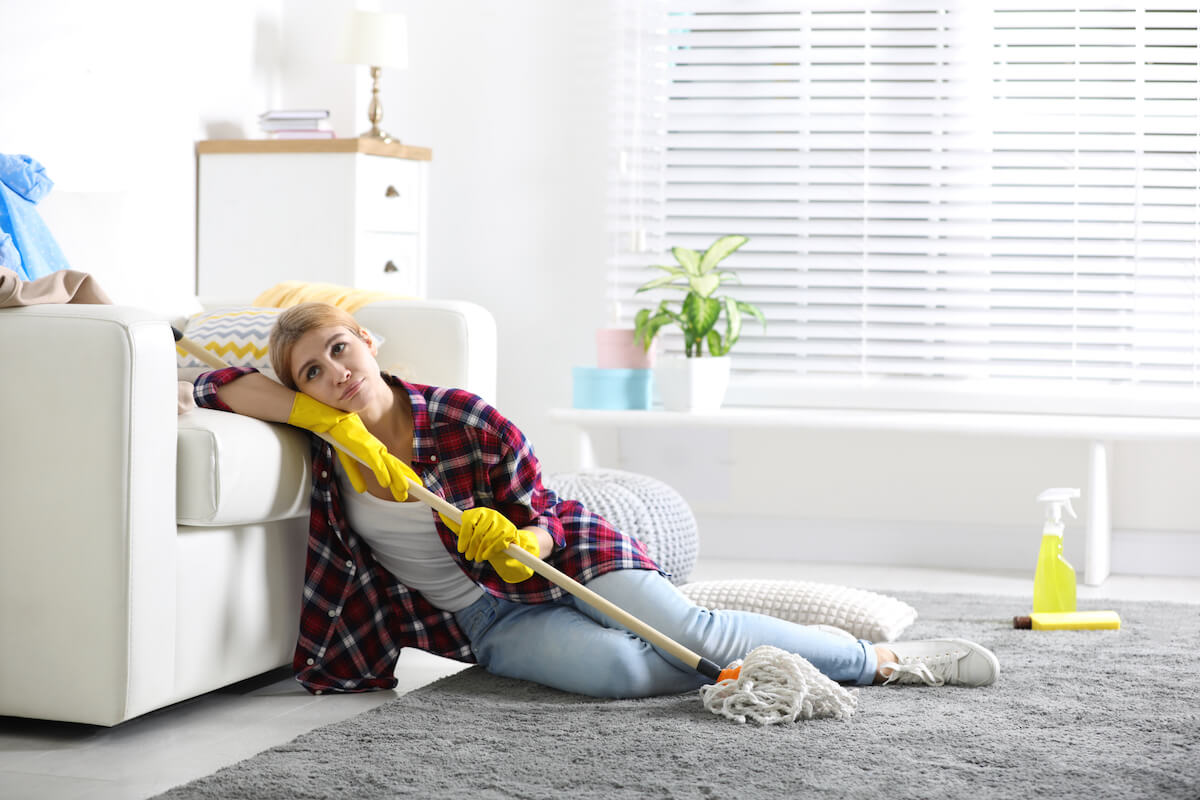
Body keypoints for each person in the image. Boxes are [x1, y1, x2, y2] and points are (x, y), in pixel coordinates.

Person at [193, 301, 1000, 697]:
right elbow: (215, 384)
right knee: (624, 669)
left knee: (687, 631)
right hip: (485, 620)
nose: (335, 370)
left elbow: (541, 514)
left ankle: (877, 662)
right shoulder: (329, 449)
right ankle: (739, 658)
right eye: (312, 371)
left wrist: (522, 542)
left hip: (562, 558)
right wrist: (328, 423)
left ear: (367, 342)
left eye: (340, 347)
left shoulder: (465, 418)